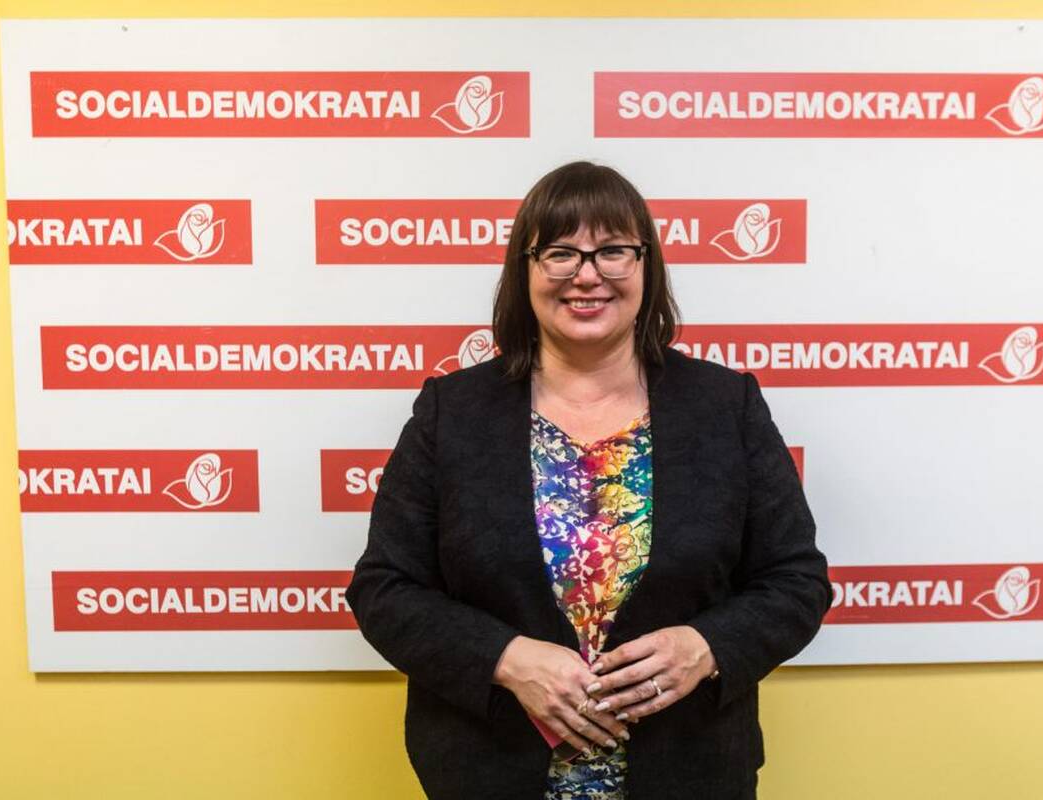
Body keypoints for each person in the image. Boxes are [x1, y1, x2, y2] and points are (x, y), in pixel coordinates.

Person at [346, 160, 831, 800]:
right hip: (489, 774)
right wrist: (505, 659)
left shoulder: (725, 406)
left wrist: (707, 645)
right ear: (525, 270)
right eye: (560, 253)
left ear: (646, 264)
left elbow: (796, 581)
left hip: (691, 773)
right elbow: (385, 589)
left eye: (612, 251)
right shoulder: (453, 412)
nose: (587, 274)